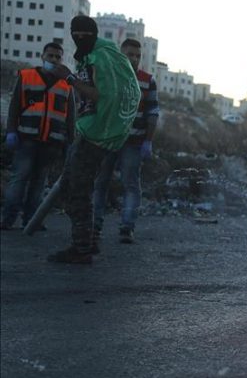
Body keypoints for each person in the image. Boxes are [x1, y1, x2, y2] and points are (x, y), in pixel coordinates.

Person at [46, 15, 141, 264]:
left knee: (79, 190)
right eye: (75, 34)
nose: (79, 39)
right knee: (71, 186)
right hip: (98, 131)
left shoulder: (100, 58)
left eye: (83, 35)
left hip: (97, 134)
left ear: (93, 34)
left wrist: (69, 78)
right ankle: (87, 241)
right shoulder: (104, 53)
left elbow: (101, 95)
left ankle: (82, 248)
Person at [1, 43, 76, 230]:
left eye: (58, 57)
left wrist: (70, 141)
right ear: (42, 56)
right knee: (19, 179)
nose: (54, 60)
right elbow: (15, 106)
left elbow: (70, 115)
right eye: (50, 56)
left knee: (39, 184)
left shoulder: (67, 83)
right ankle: (7, 219)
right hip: (26, 138)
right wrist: (11, 131)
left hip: (52, 142)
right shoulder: (27, 76)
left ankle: (31, 221)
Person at [92, 38, 160, 244]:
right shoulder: (109, 75)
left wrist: (148, 141)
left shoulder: (148, 80)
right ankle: (94, 226)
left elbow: (153, 112)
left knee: (131, 184)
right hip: (108, 140)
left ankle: (127, 227)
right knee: (100, 182)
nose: (134, 59)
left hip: (133, 142)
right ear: (121, 55)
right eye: (130, 54)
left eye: (138, 56)